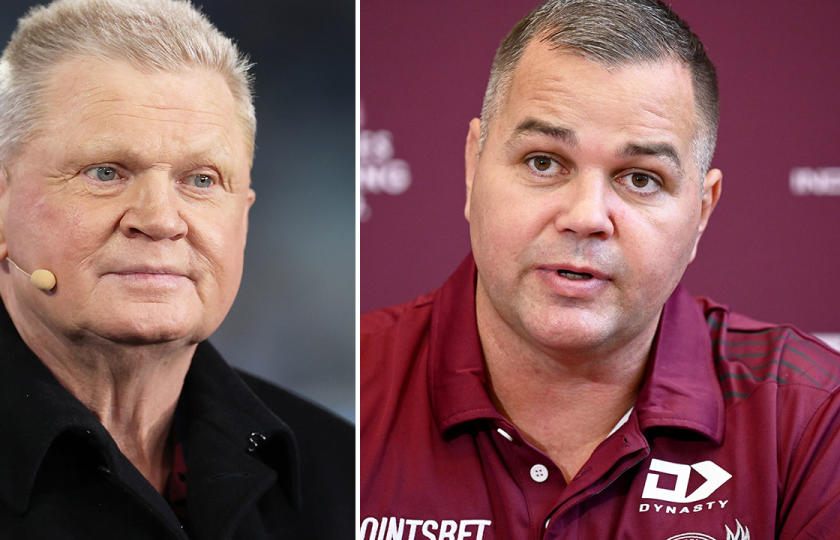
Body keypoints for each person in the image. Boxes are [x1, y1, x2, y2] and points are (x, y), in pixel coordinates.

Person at [360, 0, 840, 538]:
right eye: (543, 162)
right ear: (473, 167)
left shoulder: (812, 419)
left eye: (639, 178)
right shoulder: (351, 389)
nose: (586, 217)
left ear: (701, 211)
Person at [0, 0, 352, 537]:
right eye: (105, 172)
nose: (160, 220)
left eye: (200, 180)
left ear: (243, 216)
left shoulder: (344, 476)